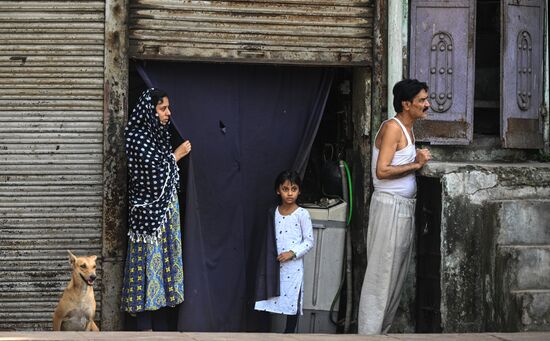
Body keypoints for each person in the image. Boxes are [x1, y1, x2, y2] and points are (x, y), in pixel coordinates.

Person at [358, 79, 432, 334]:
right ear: (406, 103)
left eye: (426, 99)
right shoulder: (392, 127)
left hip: (402, 209)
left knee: (395, 278)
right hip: (389, 208)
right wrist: (416, 164)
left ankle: (381, 333)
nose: (427, 104)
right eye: (422, 100)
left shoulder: (409, 130)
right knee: (380, 277)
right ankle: (367, 336)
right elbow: (382, 171)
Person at [121, 88, 192, 331]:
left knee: (163, 266)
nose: (168, 113)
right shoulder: (136, 135)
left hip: (165, 216)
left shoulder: (159, 135)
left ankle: (160, 328)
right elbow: (151, 172)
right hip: (148, 218)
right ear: (149, 110)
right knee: (147, 266)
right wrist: (177, 155)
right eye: (163, 108)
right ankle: (145, 328)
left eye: (167, 108)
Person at [254, 170, 315, 333]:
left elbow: (309, 241)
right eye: (285, 189)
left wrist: (292, 253)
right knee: (265, 299)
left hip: (292, 267)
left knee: (292, 300)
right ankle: (263, 335)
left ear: (299, 191)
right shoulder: (272, 212)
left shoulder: (302, 214)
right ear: (278, 190)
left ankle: (288, 335)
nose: (289, 193)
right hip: (272, 264)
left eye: (293, 189)